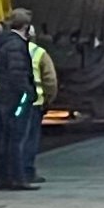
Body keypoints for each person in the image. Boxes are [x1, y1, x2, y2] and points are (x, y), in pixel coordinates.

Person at [0, 8, 42, 191]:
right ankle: (18, 178)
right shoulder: (16, 45)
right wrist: (28, 93)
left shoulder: (5, 43)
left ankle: (5, 178)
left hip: (7, 97)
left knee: (7, 138)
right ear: (26, 27)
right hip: (17, 98)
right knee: (17, 139)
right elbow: (17, 73)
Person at [21, 17, 59, 185]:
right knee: (30, 140)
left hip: (13, 102)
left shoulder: (7, 50)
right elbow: (50, 80)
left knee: (14, 138)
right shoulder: (39, 53)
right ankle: (28, 172)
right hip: (34, 103)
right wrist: (48, 100)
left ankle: (12, 171)